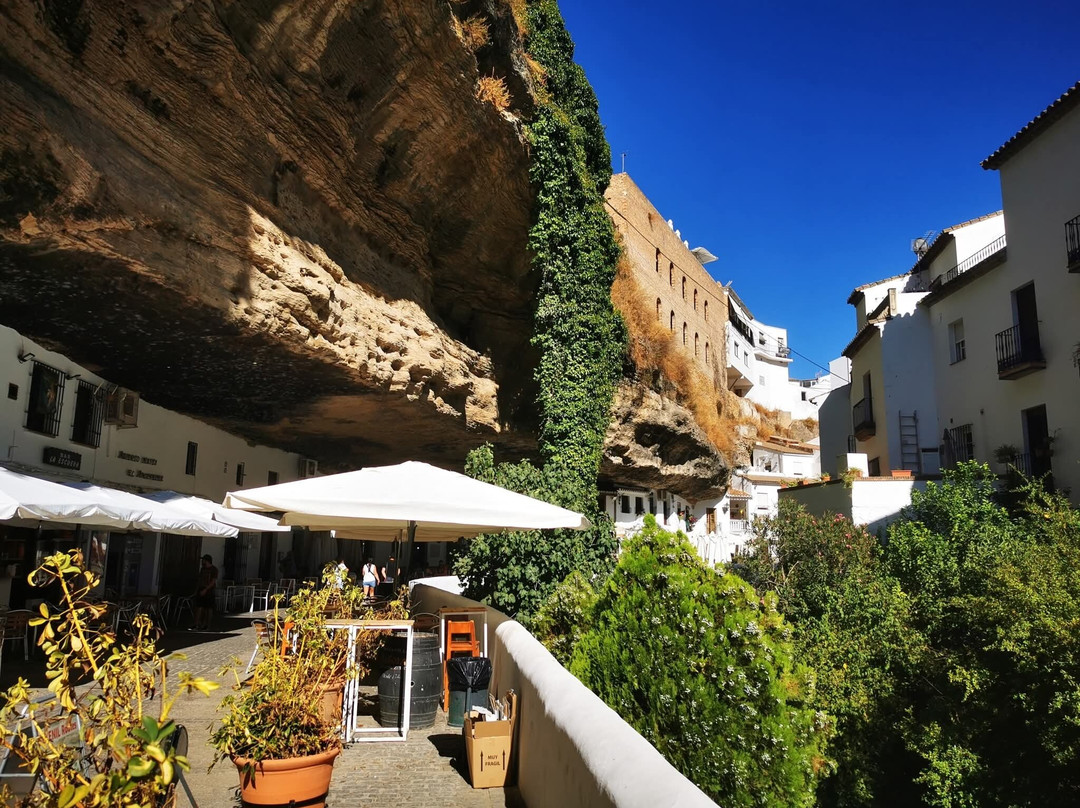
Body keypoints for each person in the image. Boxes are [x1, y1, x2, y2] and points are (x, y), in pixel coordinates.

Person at [193, 554, 217, 631]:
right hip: (201, 589)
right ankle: (197, 624)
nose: (202, 561)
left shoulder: (214, 569)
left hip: (209, 591)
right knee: (199, 607)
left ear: (207, 561)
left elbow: (213, 581)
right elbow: (200, 580)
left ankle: (207, 625)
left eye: (203, 560)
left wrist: (206, 589)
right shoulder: (203, 569)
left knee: (208, 609)